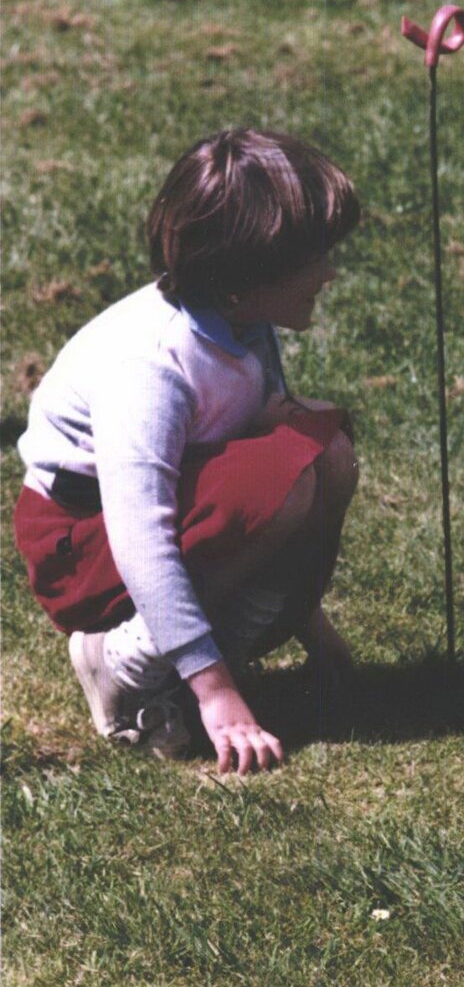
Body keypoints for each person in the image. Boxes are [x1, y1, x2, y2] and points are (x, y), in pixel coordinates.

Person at [13, 127, 361, 775]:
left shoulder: (245, 324)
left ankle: (217, 647)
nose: (330, 272)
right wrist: (219, 694)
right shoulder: (151, 366)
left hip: (157, 516)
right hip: (84, 541)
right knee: (282, 480)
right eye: (313, 257)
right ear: (243, 279)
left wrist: (312, 625)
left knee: (325, 450)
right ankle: (122, 667)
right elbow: (138, 535)